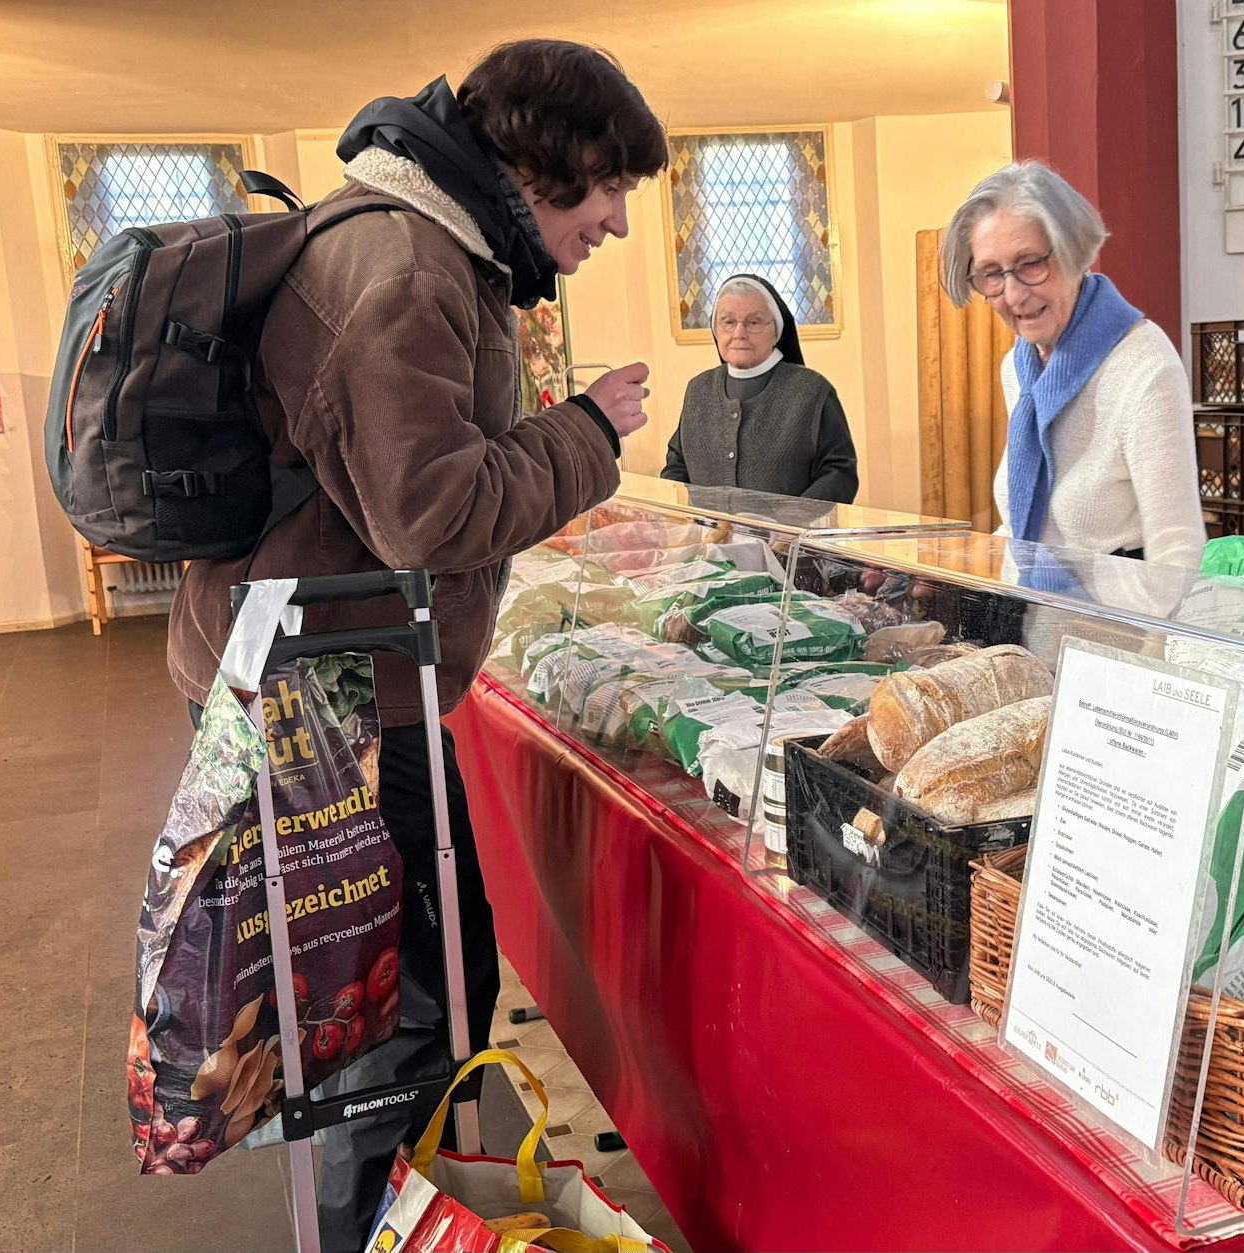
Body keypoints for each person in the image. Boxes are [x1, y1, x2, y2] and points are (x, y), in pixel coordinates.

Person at [165, 39, 666, 1250]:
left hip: (333, 681)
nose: (614, 222)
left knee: (419, 999)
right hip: (328, 700)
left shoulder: (425, 245)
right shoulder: (402, 266)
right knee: (389, 1019)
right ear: (547, 157)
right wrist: (585, 429)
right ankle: (378, 1229)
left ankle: (405, 1218)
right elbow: (428, 513)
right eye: (609, 189)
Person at [939, 161, 1205, 570]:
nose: (1013, 295)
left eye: (1029, 263)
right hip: (1031, 621)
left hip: (1113, 627)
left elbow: (1178, 550)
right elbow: (1028, 529)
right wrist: (955, 569)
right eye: (991, 274)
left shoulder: (1143, 364)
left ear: (1074, 252)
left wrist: (1140, 633)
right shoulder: (1019, 365)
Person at [662, 273, 858, 502]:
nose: (739, 333)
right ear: (716, 329)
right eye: (728, 322)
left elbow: (839, 473)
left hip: (785, 537)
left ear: (776, 331)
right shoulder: (698, 390)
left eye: (753, 322)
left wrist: (791, 524)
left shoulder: (812, 391)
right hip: (706, 536)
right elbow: (677, 464)